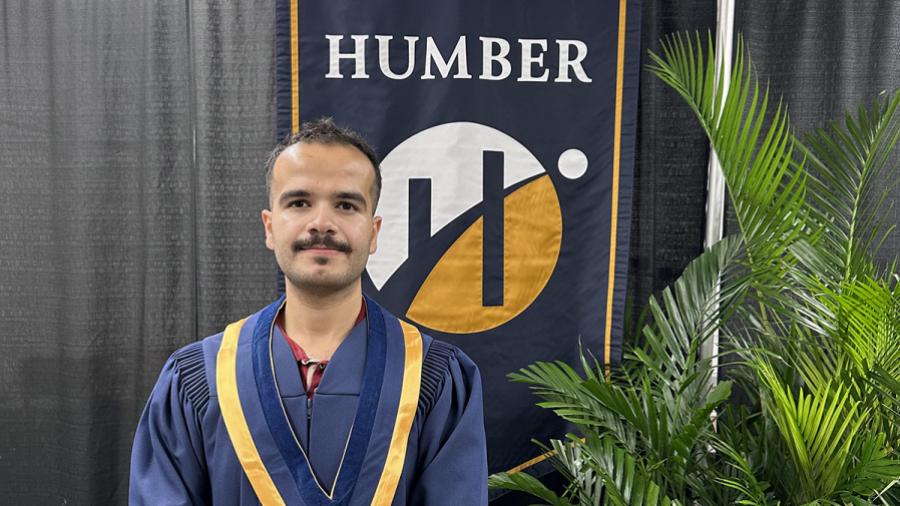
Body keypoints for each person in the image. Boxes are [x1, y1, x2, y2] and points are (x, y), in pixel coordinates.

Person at [129, 118, 489, 505]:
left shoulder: (433, 379)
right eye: (299, 202)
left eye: (346, 205)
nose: (322, 224)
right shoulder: (198, 379)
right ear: (269, 227)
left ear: (373, 232)